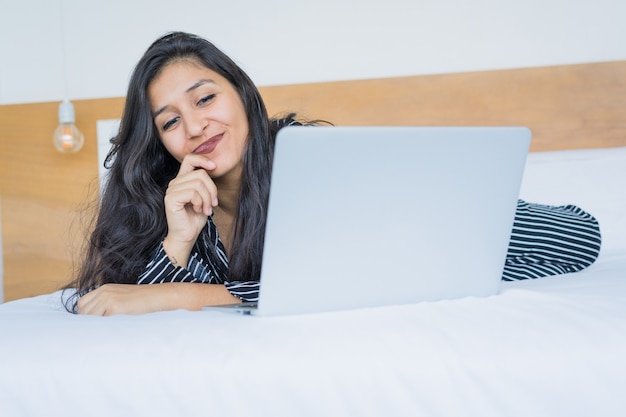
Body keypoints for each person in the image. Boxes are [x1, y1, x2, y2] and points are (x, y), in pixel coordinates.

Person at [65, 31, 602, 315]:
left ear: (244, 96)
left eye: (206, 98)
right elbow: (124, 306)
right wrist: (176, 245)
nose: (196, 125)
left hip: (410, 213)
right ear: (159, 143)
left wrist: (193, 295)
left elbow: (340, 286)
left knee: (571, 235)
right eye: (170, 122)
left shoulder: (309, 163)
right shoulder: (165, 204)